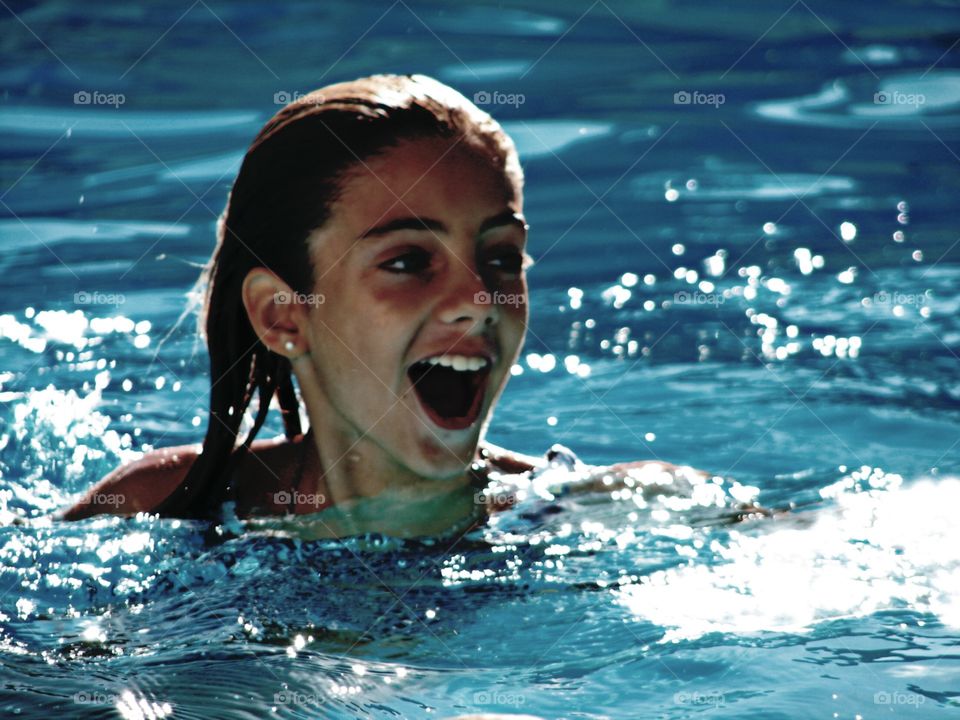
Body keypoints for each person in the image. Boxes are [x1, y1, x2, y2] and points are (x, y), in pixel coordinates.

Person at [60, 74, 707, 537]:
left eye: (501, 257)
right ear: (283, 315)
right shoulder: (160, 505)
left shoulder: (580, 514)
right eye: (407, 262)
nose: (479, 300)